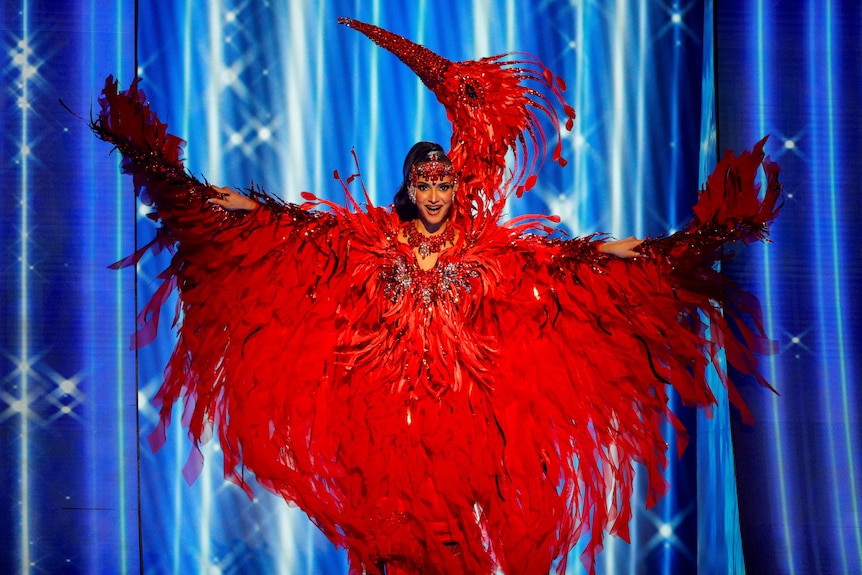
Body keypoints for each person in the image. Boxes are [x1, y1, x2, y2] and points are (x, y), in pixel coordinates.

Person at [92, 18, 780, 575]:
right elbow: (274, 223)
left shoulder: (493, 254)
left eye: (443, 183)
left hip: (463, 436)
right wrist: (185, 188)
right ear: (409, 188)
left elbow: (585, 257)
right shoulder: (370, 241)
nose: (433, 192)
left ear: (455, 187)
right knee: (387, 552)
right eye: (422, 183)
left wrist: (680, 247)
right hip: (382, 429)